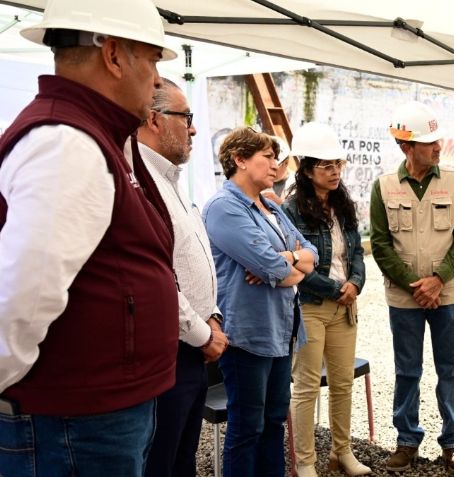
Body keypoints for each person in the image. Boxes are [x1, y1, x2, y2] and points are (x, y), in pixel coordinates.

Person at [0, 1, 180, 475]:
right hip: (71, 422)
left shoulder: (93, 133)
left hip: (87, 416)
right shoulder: (67, 142)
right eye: (154, 59)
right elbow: (20, 297)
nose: (158, 79)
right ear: (115, 55)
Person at [203, 127, 317, 477]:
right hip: (247, 337)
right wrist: (287, 263)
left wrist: (288, 259)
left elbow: (310, 255)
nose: (275, 164)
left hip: (281, 333)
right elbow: (271, 266)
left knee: (272, 423)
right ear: (239, 159)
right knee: (247, 427)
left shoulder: (269, 205)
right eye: (267, 157)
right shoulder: (224, 208)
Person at [370, 101, 454, 475]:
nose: (437, 147)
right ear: (406, 146)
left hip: (447, 294)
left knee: (450, 369)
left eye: (437, 139)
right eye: (428, 142)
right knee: (407, 370)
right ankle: (407, 441)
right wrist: (413, 286)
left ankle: (453, 444)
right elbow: (380, 245)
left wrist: (437, 279)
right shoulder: (382, 187)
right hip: (404, 298)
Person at [137, 78, 230, 477]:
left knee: (182, 461)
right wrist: (203, 333)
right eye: (186, 117)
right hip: (170, 352)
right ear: (155, 119)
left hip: (194, 347)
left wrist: (213, 316)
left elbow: (195, 265)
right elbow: (157, 278)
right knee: (162, 463)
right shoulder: (141, 183)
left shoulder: (170, 180)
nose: (193, 128)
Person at [283, 122, 370, 477]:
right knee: (306, 387)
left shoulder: (342, 204)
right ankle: (305, 462)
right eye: (326, 166)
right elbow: (298, 267)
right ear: (305, 169)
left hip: (345, 307)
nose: (335, 172)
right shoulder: (291, 210)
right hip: (312, 308)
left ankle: (342, 453)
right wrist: (338, 289)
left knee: (342, 382)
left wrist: (356, 284)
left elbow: (358, 253)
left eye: (338, 165)